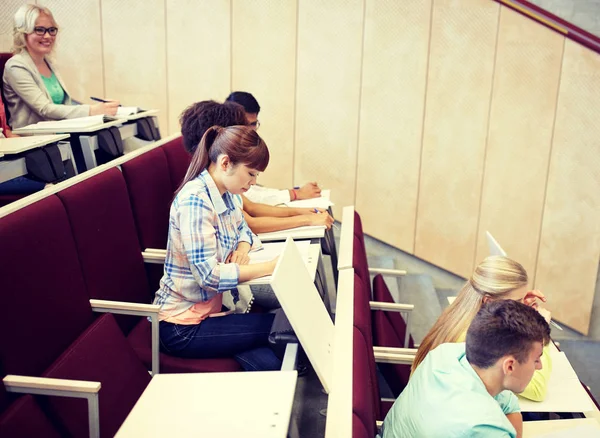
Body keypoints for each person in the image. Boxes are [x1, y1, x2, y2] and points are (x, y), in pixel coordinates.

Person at [154, 125, 282, 371]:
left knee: (275, 352)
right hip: (181, 326)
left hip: (213, 308)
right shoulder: (195, 201)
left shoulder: (229, 193)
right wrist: (267, 268)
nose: (253, 183)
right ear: (225, 163)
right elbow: (208, 276)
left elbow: (244, 231)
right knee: (281, 329)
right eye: (252, 174)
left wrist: (242, 250)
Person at [382, 299, 551, 438]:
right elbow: (508, 413)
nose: (540, 366)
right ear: (510, 366)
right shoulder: (484, 426)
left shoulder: (446, 354)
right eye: (536, 360)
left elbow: (510, 405)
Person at [179, 100, 334, 234]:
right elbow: (250, 224)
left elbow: (252, 208)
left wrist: (303, 212)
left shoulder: (224, 180)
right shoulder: (210, 184)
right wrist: (307, 219)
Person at [411, 256, 553, 401]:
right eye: (517, 302)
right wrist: (540, 331)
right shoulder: (476, 337)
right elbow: (537, 389)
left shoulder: (462, 314)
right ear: (489, 301)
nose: (522, 306)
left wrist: (521, 309)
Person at [3, 4, 119, 130]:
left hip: (60, 132)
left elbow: (64, 104)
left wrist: (100, 108)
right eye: (40, 30)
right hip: (34, 139)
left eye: (51, 30)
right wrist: (91, 110)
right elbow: (44, 108)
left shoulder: (48, 61)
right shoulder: (15, 66)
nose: (48, 36)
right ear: (23, 32)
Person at [225, 91, 321, 205]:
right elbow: (249, 201)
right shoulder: (222, 149)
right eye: (245, 124)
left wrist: (295, 193)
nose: (250, 130)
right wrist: (296, 194)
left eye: (254, 124)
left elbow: (252, 192)